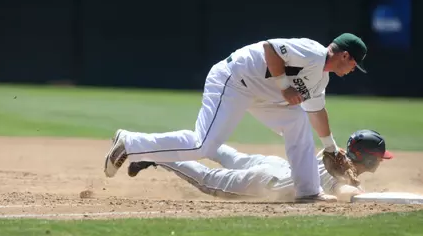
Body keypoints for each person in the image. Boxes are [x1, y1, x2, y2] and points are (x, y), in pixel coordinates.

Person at [104, 33, 368, 203]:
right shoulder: (312, 52)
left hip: (263, 95)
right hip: (234, 80)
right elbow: (270, 48)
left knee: (297, 121)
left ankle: (308, 191)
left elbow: (316, 111)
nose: (353, 69)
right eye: (354, 64)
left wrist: (332, 148)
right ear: (345, 55)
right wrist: (285, 85)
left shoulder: (321, 77)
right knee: (202, 145)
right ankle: (131, 143)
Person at [127, 130, 394, 202]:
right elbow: (343, 193)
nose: (381, 162)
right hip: (267, 181)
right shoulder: (341, 177)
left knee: (230, 156)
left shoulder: (333, 154)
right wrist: (358, 191)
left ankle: (193, 137)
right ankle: (156, 153)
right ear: (370, 160)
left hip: (275, 166)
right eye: (380, 158)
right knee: (208, 180)